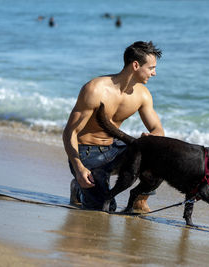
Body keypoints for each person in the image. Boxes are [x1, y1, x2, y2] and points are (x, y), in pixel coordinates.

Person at [63, 41, 164, 212]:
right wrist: (79, 167)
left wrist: (153, 137)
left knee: (161, 155)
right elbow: (70, 132)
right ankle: (79, 189)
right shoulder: (95, 90)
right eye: (151, 68)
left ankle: (139, 200)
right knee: (105, 208)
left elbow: (158, 129)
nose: (154, 73)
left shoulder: (143, 95)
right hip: (86, 154)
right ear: (136, 65)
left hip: (113, 149)